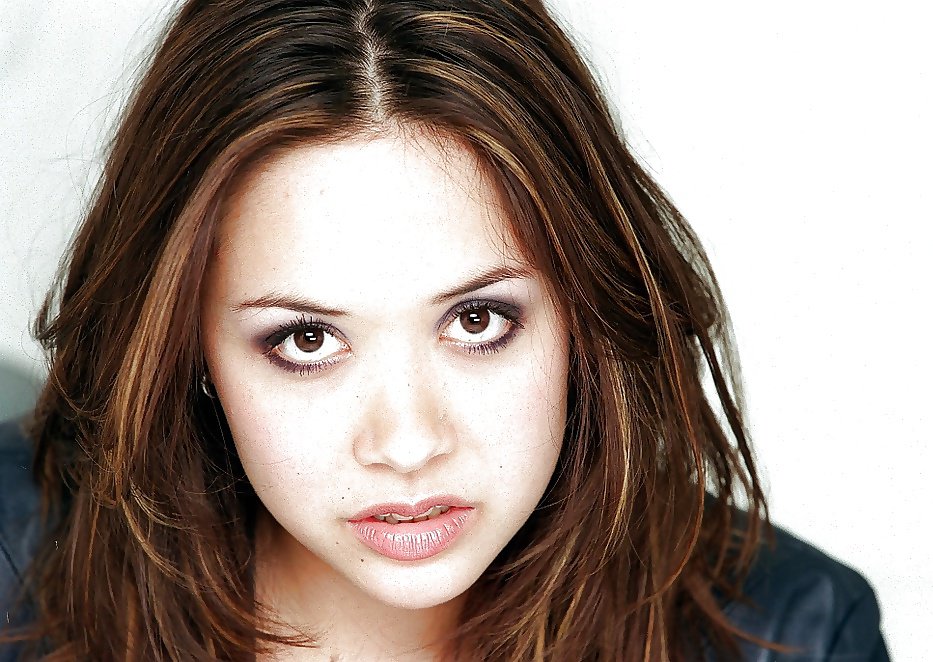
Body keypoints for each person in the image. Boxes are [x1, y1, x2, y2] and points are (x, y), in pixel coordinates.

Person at [0, 0, 889, 660]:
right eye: (306, 339)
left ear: (583, 311)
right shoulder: (13, 555)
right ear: (187, 348)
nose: (408, 444)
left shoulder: (798, 633)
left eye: (476, 319)